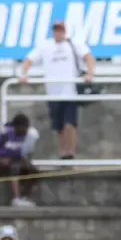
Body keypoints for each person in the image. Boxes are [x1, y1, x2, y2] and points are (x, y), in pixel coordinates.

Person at [19, 20, 94, 159]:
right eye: (55, 30)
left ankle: (70, 153)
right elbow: (29, 60)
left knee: (69, 124)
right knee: (58, 126)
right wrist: (23, 74)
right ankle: (63, 154)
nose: (58, 32)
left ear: (65, 31)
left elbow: (88, 57)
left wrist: (90, 73)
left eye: (60, 30)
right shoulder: (45, 46)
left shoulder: (73, 44)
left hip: (70, 92)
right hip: (53, 93)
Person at [0, 112, 40, 207]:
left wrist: (28, 163)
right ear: (16, 127)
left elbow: (28, 151)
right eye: (23, 128)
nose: (24, 131)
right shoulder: (5, 133)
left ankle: (25, 197)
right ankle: (16, 199)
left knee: (34, 172)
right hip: (1, 161)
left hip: (17, 159)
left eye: (26, 128)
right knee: (14, 166)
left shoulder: (28, 135)